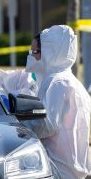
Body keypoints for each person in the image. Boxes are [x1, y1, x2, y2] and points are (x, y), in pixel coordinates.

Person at [24, 25, 91, 178]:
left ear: (50, 52)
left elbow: (46, 125)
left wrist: (20, 124)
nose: (32, 57)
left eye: (35, 52)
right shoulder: (70, 81)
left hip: (58, 169)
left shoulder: (56, 82)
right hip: (70, 169)